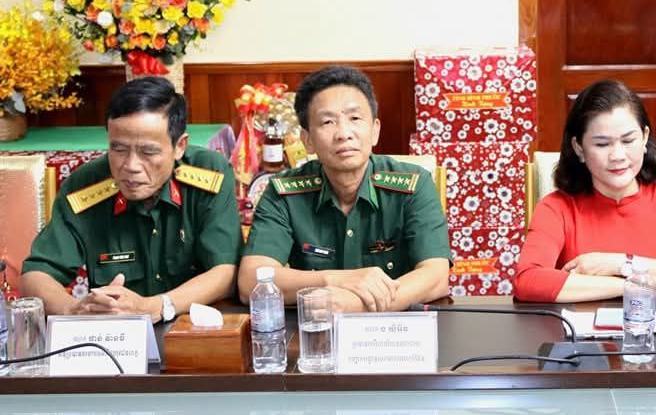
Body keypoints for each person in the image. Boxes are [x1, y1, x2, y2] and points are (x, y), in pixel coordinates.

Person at [21, 77, 241, 323]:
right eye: (119, 149)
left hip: (193, 329)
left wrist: (156, 306)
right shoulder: (85, 186)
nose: (131, 166)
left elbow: (226, 272)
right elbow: (36, 275)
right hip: (116, 334)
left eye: (148, 151)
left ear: (179, 146)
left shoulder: (208, 173)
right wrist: (73, 311)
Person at [239, 66, 450, 311]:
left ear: (375, 130)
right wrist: (334, 280)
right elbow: (250, 281)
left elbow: (436, 277)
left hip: (395, 329)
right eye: (327, 121)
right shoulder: (283, 193)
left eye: (355, 119)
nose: (343, 134)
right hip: (316, 327)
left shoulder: (414, 184)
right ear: (307, 140)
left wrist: (358, 305)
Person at [515, 80, 656, 302]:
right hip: (580, 326)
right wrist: (629, 285)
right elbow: (528, 281)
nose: (617, 156)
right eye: (602, 144)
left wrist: (621, 264)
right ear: (579, 148)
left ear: (644, 138)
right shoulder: (556, 207)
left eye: (628, 140)